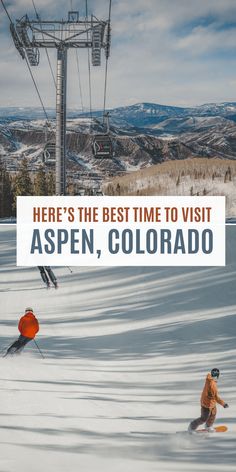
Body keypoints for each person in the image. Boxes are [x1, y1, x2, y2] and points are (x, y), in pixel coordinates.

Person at [188, 368, 229, 433]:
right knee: (204, 418)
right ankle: (192, 426)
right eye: (217, 375)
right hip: (206, 404)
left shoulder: (212, 381)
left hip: (212, 403)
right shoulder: (211, 384)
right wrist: (223, 404)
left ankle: (208, 426)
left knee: (213, 415)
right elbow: (216, 397)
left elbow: (214, 397)